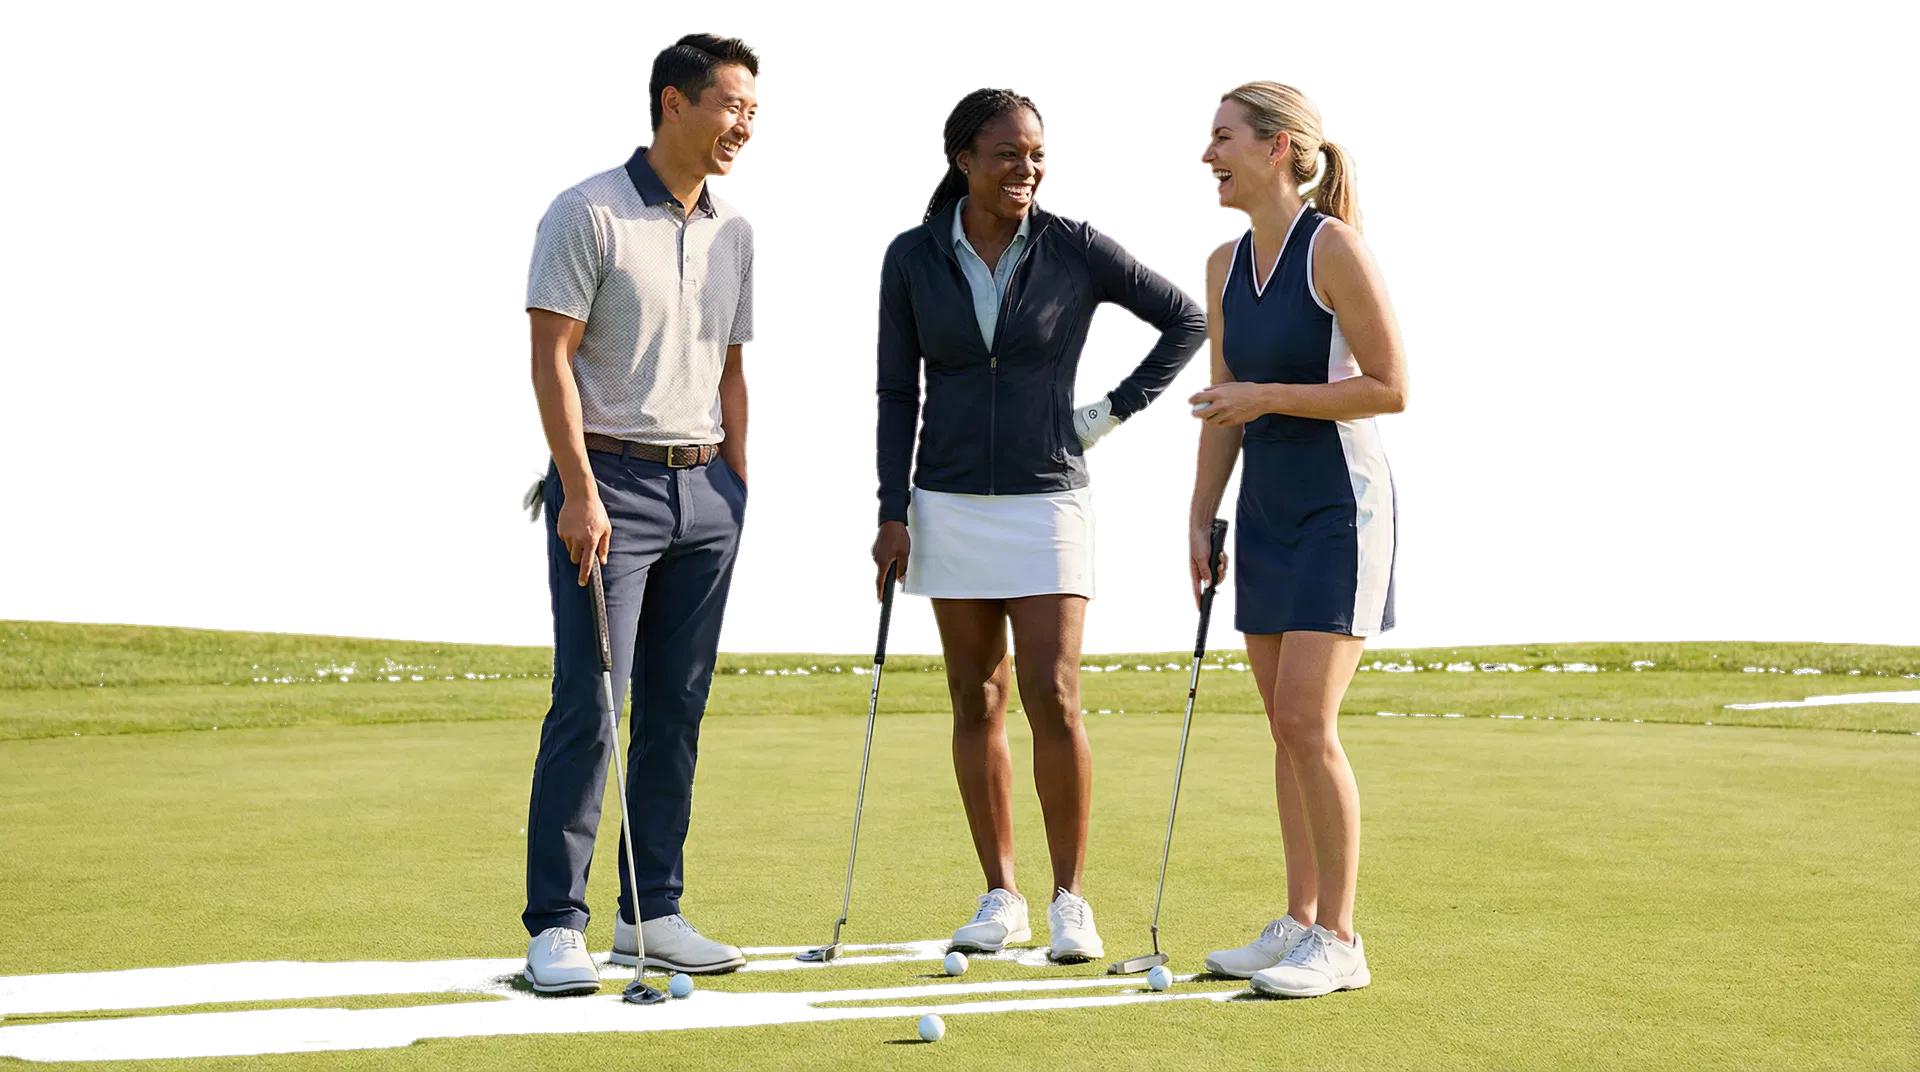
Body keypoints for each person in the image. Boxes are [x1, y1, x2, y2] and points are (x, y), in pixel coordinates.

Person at [873, 87, 1206, 963]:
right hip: (944, 501)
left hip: (1048, 495)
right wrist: (889, 511)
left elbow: (1185, 320)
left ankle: (1069, 901)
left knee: (1053, 694)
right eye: (1008, 154)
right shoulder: (911, 257)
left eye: (1037, 155)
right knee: (974, 695)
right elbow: (895, 392)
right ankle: (1001, 896)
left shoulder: (1075, 242)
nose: (1027, 170)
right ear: (965, 161)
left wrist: (1113, 412)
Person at [518, 32, 760, 995]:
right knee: (592, 704)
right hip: (608, 485)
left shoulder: (737, 229)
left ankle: (649, 913)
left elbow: (735, 369)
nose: (746, 126)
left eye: (755, 112)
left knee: (676, 712)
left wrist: (739, 490)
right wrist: (576, 490)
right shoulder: (587, 209)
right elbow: (551, 359)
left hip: (704, 491)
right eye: (732, 106)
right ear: (674, 104)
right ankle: (557, 924)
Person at [1184, 78, 1408, 998]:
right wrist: (1201, 520)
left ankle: (1343, 941)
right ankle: (1300, 919)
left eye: (1225, 138)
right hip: (1266, 514)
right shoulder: (1222, 264)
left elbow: (1390, 390)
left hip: (1337, 514)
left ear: (1279, 149)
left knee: (1310, 722)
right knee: (1284, 728)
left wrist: (1265, 398)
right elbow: (1217, 410)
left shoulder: (1334, 249)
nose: (1210, 155)